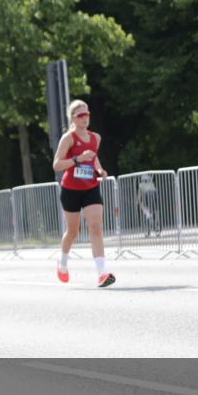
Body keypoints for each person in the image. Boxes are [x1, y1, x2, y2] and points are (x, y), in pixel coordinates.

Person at [52, 99, 116, 288]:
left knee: (96, 227)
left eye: (87, 114)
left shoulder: (96, 137)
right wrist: (77, 159)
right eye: (80, 115)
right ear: (73, 118)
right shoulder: (68, 138)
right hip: (71, 189)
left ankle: (102, 273)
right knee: (73, 232)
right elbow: (56, 165)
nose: (85, 118)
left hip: (90, 188)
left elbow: (93, 158)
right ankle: (62, 263)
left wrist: (100, 170)